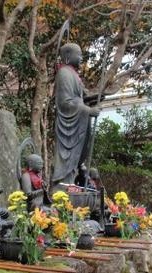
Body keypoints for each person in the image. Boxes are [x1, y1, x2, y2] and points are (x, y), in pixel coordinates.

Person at [52, 43, 100, 190]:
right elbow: (65, 102)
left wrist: (97, 98)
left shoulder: (74, 74)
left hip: (78, 120)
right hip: (68, 123)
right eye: (78, 55)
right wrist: (88, 110)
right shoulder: (64, 73)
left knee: (78, 158)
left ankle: (71, 185)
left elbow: (84, 95)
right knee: (67, 157)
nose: (81, 58)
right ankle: (62, 187)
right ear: (67, 56)